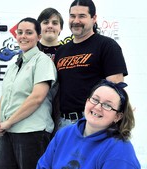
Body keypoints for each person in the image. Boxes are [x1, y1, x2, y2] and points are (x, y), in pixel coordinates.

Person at [35, 79, 141, 169]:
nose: (97, 107)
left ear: (118, 116)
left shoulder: (119, 151)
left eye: (107, 105)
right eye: (95, 100)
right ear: (86, 101)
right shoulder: (64, 134)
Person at [0, 17, 57, 169]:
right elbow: (6, 95)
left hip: (32, 133)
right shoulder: (14, 64)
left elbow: (37, 97)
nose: (23, 36)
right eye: (20, 32)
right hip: (9, 133)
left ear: (38, 36)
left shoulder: (43, 61)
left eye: (29, 32)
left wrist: (9, 122)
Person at [54, 0, 128, 128]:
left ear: (94, 18)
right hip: (64, 123)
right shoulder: (61, 51)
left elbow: (116, 90)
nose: (76, 20)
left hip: (94, 120)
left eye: (82, 16)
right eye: (72, 16)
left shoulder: (107, 46)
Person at [37, 8, 64, 136]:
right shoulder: (30, 51)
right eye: (45, 22)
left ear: (61, 28)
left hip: (60, 105)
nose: (50, 26)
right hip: (35, 108)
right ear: (39, 27)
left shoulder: (67, 52)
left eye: (55, 23)